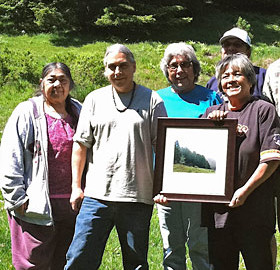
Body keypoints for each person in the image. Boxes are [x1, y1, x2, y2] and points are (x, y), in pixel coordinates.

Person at [64, 44, 167, 270]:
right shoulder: (94, 99)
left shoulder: (153, 100)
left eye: (123, 66)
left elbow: (163, 147)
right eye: (112, 67)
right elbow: (80, 145)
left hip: (137, 197)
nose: (117, 72)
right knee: (79, 256)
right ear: (105, 70)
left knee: (136, 263)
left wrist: (164, 186)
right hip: (96, 196)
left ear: (134, 67)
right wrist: (75, 187)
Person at [201, 53, 280, 270]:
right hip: (219, 214)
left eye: (238, 74)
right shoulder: (211, 114)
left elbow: (271, 160)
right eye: (225, 76)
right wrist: (208, 127)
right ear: (220, 83)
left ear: (250, 80)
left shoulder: (263, 110)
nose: (231, 80)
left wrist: (244, 191)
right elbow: (194, 159)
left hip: (254, 212)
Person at [0, 62, 82, 269]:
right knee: (33, 263)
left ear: (70, 84)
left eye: (63, 80)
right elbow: (10, 155)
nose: (57, 85)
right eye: (51, 79)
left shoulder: (79, 111)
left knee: (65, 262)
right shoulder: (27, 112)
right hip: (34, 205)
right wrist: (15, 196)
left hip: (72, 206)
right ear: (41, 83)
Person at [153, 42, 221, 270]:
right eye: (173, 66)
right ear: (167, 70)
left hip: (202, 185)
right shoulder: (156, 99)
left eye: (185, 64)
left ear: (194, 68)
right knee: (171, 245)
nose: (179, 70)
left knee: (201, 244)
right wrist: (156, 185)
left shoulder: (211, 97)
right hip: (165, 186)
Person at [206, 27, 266, 98]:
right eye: (226, 45)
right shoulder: (213, 82)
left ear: (248, 52)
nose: (231, 48)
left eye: (237, 45)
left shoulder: (263, 76)